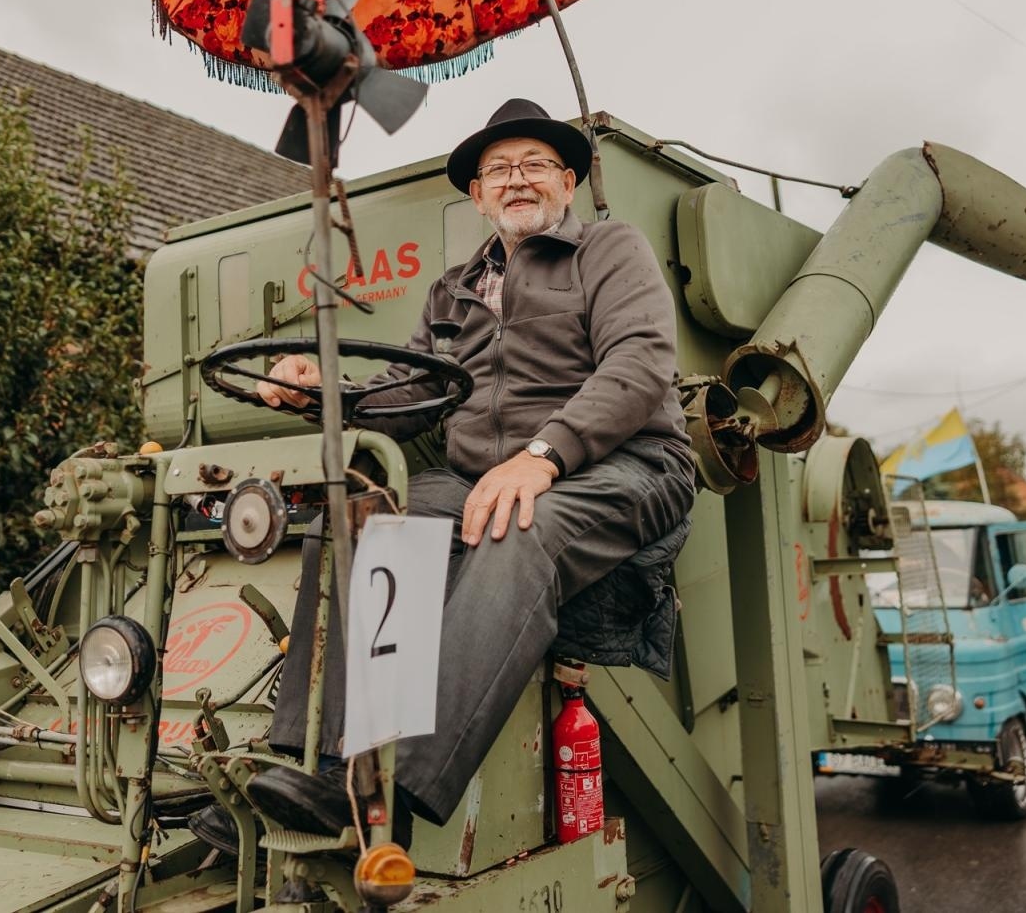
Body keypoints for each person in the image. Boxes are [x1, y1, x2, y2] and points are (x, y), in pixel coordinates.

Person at [194, 98, 696, 845]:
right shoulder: (453, 289)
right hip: (483, 476)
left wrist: (543, 456)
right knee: (367, 522)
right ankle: (311, 768)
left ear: (568, 181)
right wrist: (320, 392)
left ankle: (392, 793)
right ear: (478, 196)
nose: (516, 179)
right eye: (498, 170)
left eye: (534, 165)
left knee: (519, 528)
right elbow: (407, 396)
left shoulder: (608, 250)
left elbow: (640, 364)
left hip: (625, 462)